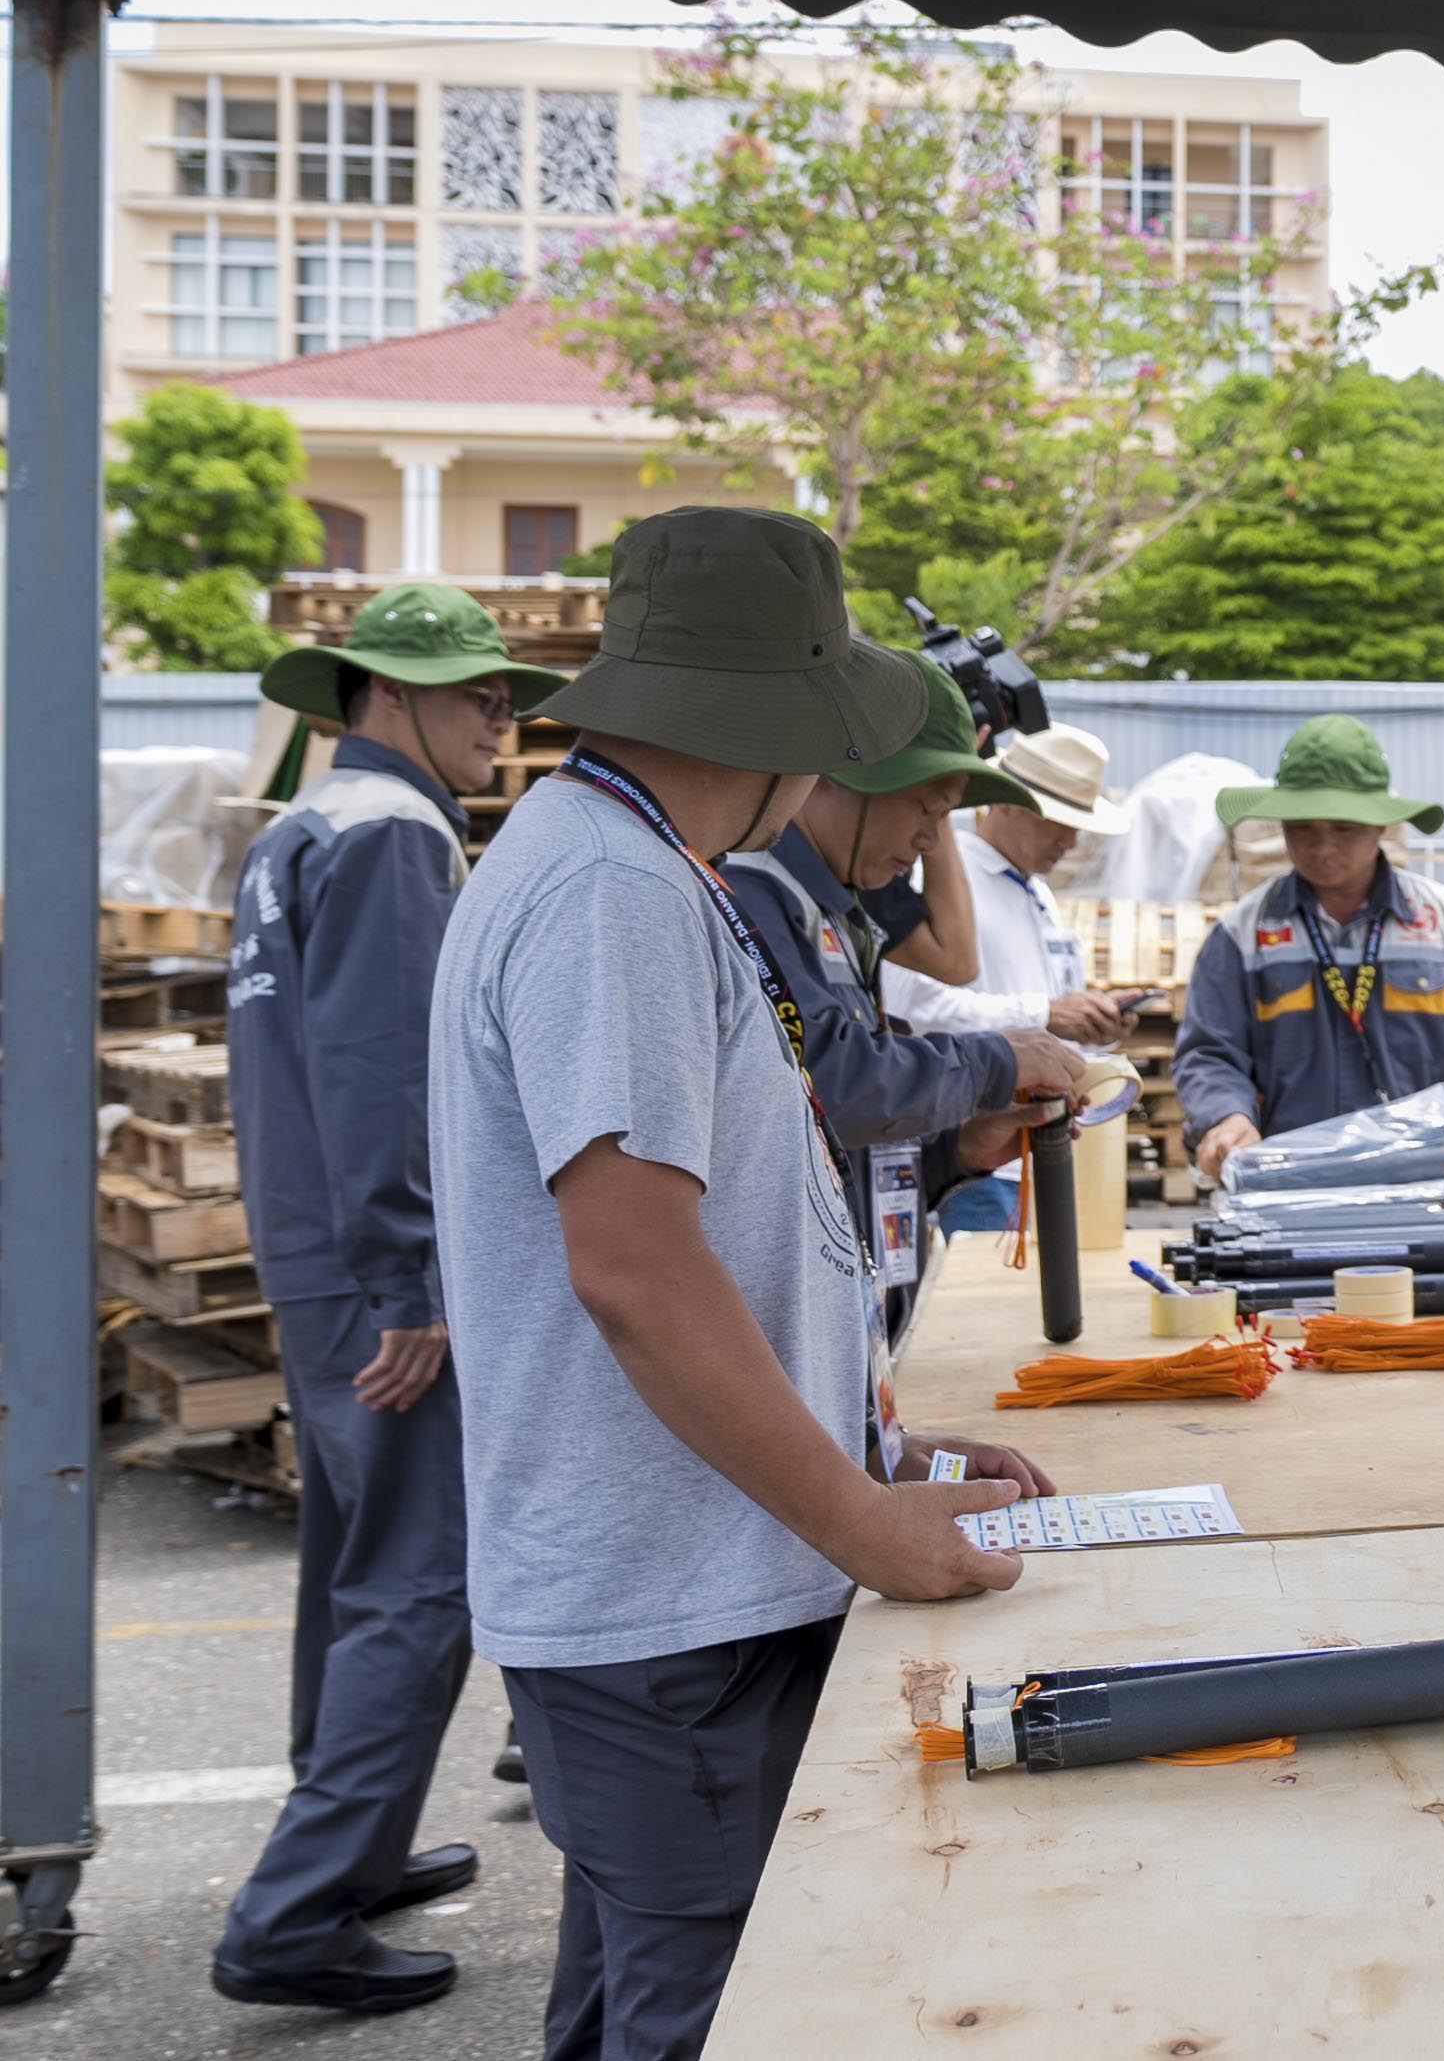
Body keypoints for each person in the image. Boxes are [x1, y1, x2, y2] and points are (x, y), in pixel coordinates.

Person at [429, 506, 1055, 2059]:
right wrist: (858, 1517)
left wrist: (872, 1444)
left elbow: (720, 1231)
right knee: (714, 2010)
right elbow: (636, 1268)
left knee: (631, 1991)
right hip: (674, 1600)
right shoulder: (616, 892)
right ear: (788, 718)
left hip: (686, 1569)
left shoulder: (645, 865)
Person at [208, 587, 570, 2017]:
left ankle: (350, 1845)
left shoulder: (303, 825)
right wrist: (414, 1276)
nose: (502, 719)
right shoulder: (397, 836)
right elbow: (381, 1070)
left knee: (353, 1564)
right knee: (421, 1580)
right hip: (376, 1268)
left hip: (311, 1248)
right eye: (479, 694)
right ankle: (299, 1908)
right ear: (389, 695)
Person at [722, 651, 1089, 1343]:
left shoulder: (833, 907)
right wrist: (997, 1061)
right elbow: (831, 1086)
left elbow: (839, 1147)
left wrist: (959, 1151)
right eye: (926, 809)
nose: (929, 841)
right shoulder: (755, 897)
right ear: (844, 775)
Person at [1174, 714, 1444, 1181]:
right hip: (1285, 1181)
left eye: (1344, 828)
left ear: (1381, 826)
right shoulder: (1242, 934)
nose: (1322, 847)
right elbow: (1208, 1051)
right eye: (1302, 828)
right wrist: (1226, 1115)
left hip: (1426, 1178)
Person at [880, 725, 1138, 1235]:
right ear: (1003, 803)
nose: (1069, 840)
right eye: (1056, 820)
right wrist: (1045, 1015)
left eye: (1077, 824)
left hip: (1032, 1148)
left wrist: (1091, 1021)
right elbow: (910, 1005)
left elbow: (1043, 1004)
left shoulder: (1036, 892)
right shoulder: (943, 884)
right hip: (978, 1153)